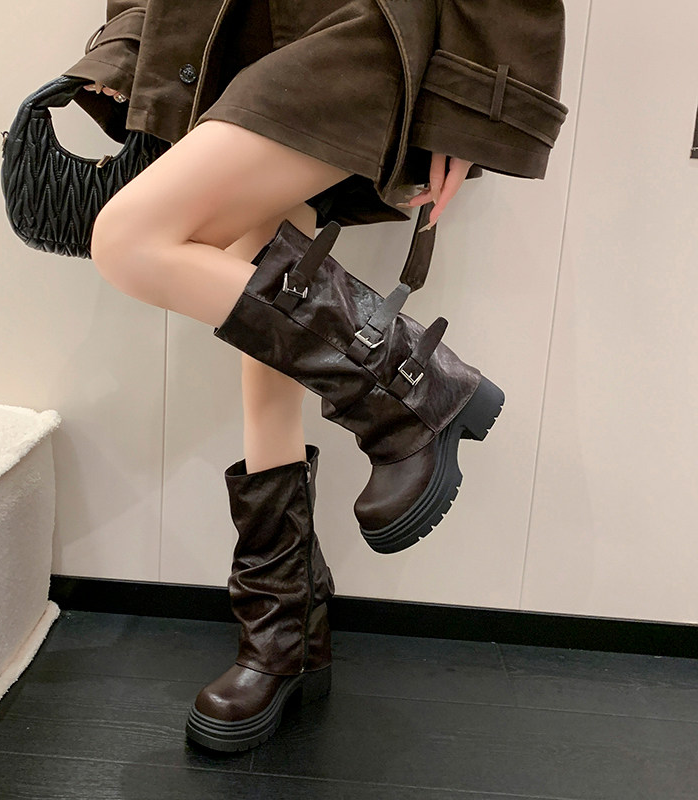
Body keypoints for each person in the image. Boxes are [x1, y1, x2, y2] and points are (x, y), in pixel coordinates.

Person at [61, 0, 568, 752]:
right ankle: (285, 630)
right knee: (266, 300)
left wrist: (467, 104)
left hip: (359, 24)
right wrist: (125, 50)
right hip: (227, 31)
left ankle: (411, 387)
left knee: (129, 240)